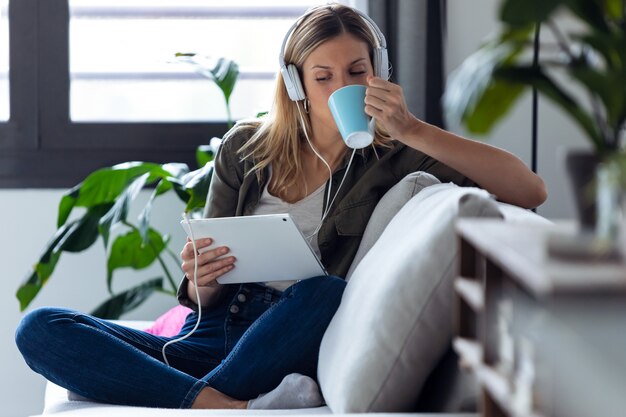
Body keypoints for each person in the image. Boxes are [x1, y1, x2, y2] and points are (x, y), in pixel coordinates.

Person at [15, 3, 547, 411]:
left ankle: (191, 398)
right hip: (210, 334)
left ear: (378, 69)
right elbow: (203, 288)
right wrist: (201, 278)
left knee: (324, 292)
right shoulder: (245, 149)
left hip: (289, 334)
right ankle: (221, 405)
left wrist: (410, 127)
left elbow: (528, 190)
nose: (345, 86)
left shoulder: (399, 154)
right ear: (296, 84)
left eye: (358, 70)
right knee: (39, 327)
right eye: (324, 77)